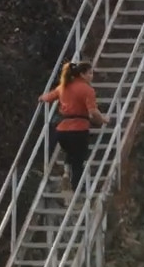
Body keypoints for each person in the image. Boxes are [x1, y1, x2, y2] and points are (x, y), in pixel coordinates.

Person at [40, 61, 106, 190]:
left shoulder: (63, 86)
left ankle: (66, 173)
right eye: (90, 73)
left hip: (62, 130)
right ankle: (78, 192)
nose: (92, 76)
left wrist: (42, 98)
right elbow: (92, 111)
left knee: (71, 151)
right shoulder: (87, 89)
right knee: (78, 162)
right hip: (79, 129)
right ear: (81, 74)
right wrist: (103, 119)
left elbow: (48, 97)